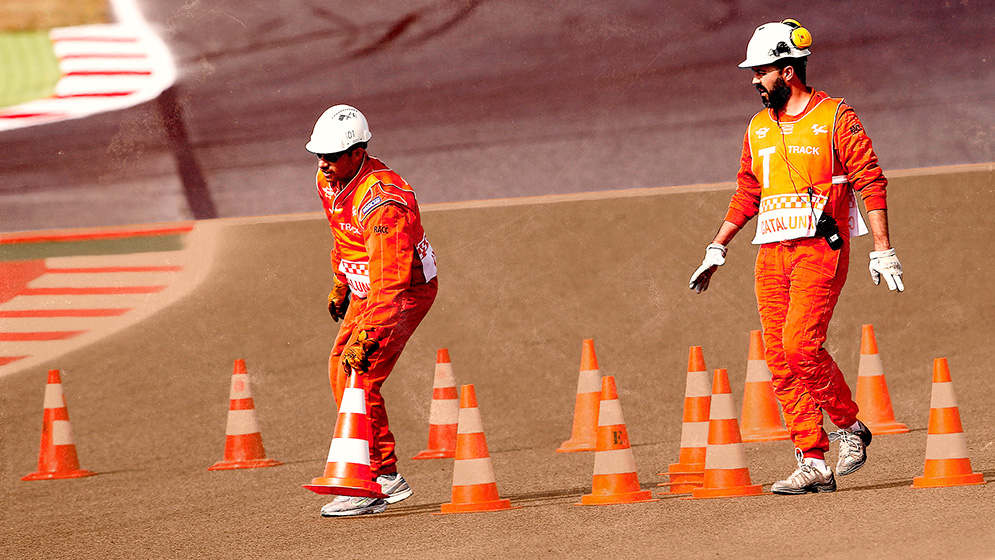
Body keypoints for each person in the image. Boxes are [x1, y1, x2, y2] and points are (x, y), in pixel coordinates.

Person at [688, 20, 904, 495]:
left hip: (820, 250)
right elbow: (749, 190)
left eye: (760, 70)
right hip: (771, 252)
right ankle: (812, 461)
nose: (752, 80)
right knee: (779, 361)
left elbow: (870, 179)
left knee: (800, 348)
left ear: (787, 71)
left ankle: (848, 426)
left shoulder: (836, 118)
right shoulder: (758, 128)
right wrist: (717, 245)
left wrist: (882, 248)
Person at [306, 105, 438, 516]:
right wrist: (340, 282)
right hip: (368, 287)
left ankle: (377, 480)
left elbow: (392, 282)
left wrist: (372, 334)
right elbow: (343, 236)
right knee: (339, 369)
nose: (323, 164)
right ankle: (379, 475)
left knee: (358, 374)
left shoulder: (385, 206)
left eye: (331, 156)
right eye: (319, 156)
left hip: (402, 292)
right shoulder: (328, 180)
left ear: (358, 152)